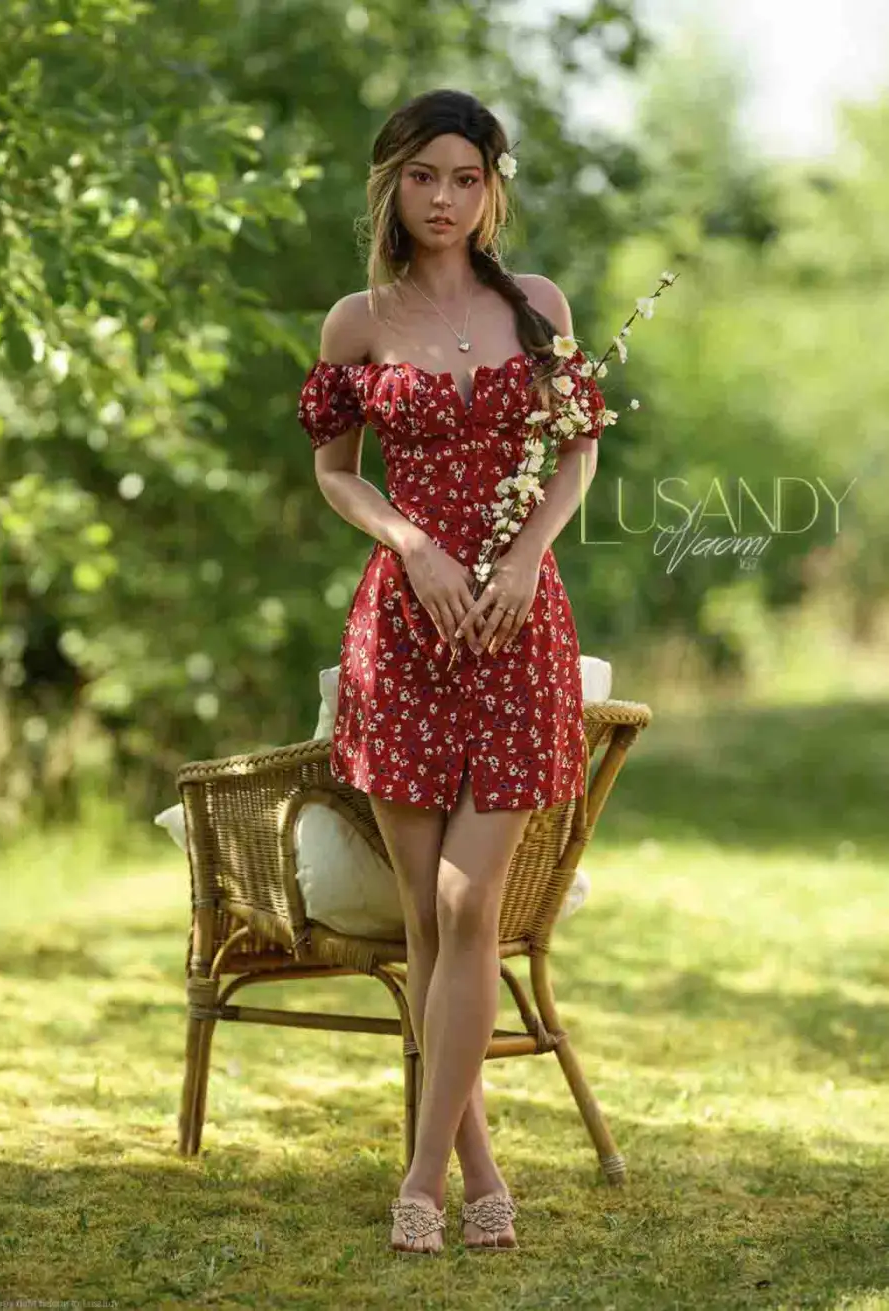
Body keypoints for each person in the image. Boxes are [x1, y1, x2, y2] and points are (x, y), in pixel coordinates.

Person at [296, 88, 605, 1255]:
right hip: (406, 631)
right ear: (392, 184)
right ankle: (475, 1171)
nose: (444, 199)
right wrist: (412, 545)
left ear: (491, 189)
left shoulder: (539, 306)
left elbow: (577, 451)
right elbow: (337, 472)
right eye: (424, 176)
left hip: (519, 629)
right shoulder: (356, 322)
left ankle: (419, 1179)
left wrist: (525, 557)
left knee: (473, 907)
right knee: (429, 920)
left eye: (465, 179)